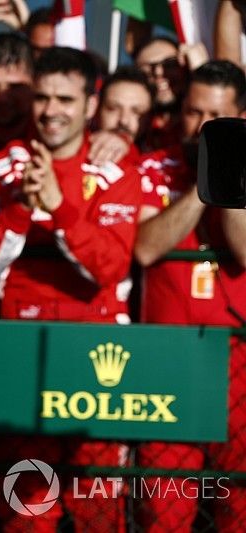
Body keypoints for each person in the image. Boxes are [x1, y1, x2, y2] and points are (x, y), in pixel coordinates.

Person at [0, 46, 141, 532]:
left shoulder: (117, 171)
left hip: (98, 362)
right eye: (43, 97)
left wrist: (61, 207)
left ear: (89, 104)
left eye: (66, 98)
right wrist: (19, 206)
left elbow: (109, 267)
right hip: (21, 358)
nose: (51, 110)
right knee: (26, 516)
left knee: (99, 514)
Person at [135, 59, 246, 533]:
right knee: (163, 508)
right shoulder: (152, 167)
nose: (200, 125)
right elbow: (144, 247)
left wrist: (228, 173)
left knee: (238, 507)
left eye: (214, 117)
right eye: (192, 111)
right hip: (168, 365)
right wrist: (202, 182)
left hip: (238, 363)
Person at [95, 66, 155, 158]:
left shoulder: (163, 165)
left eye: (136, 111)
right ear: (96, 110)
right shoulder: (72, 152)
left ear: (149, 118)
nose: (123, 121)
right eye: (113, 108)